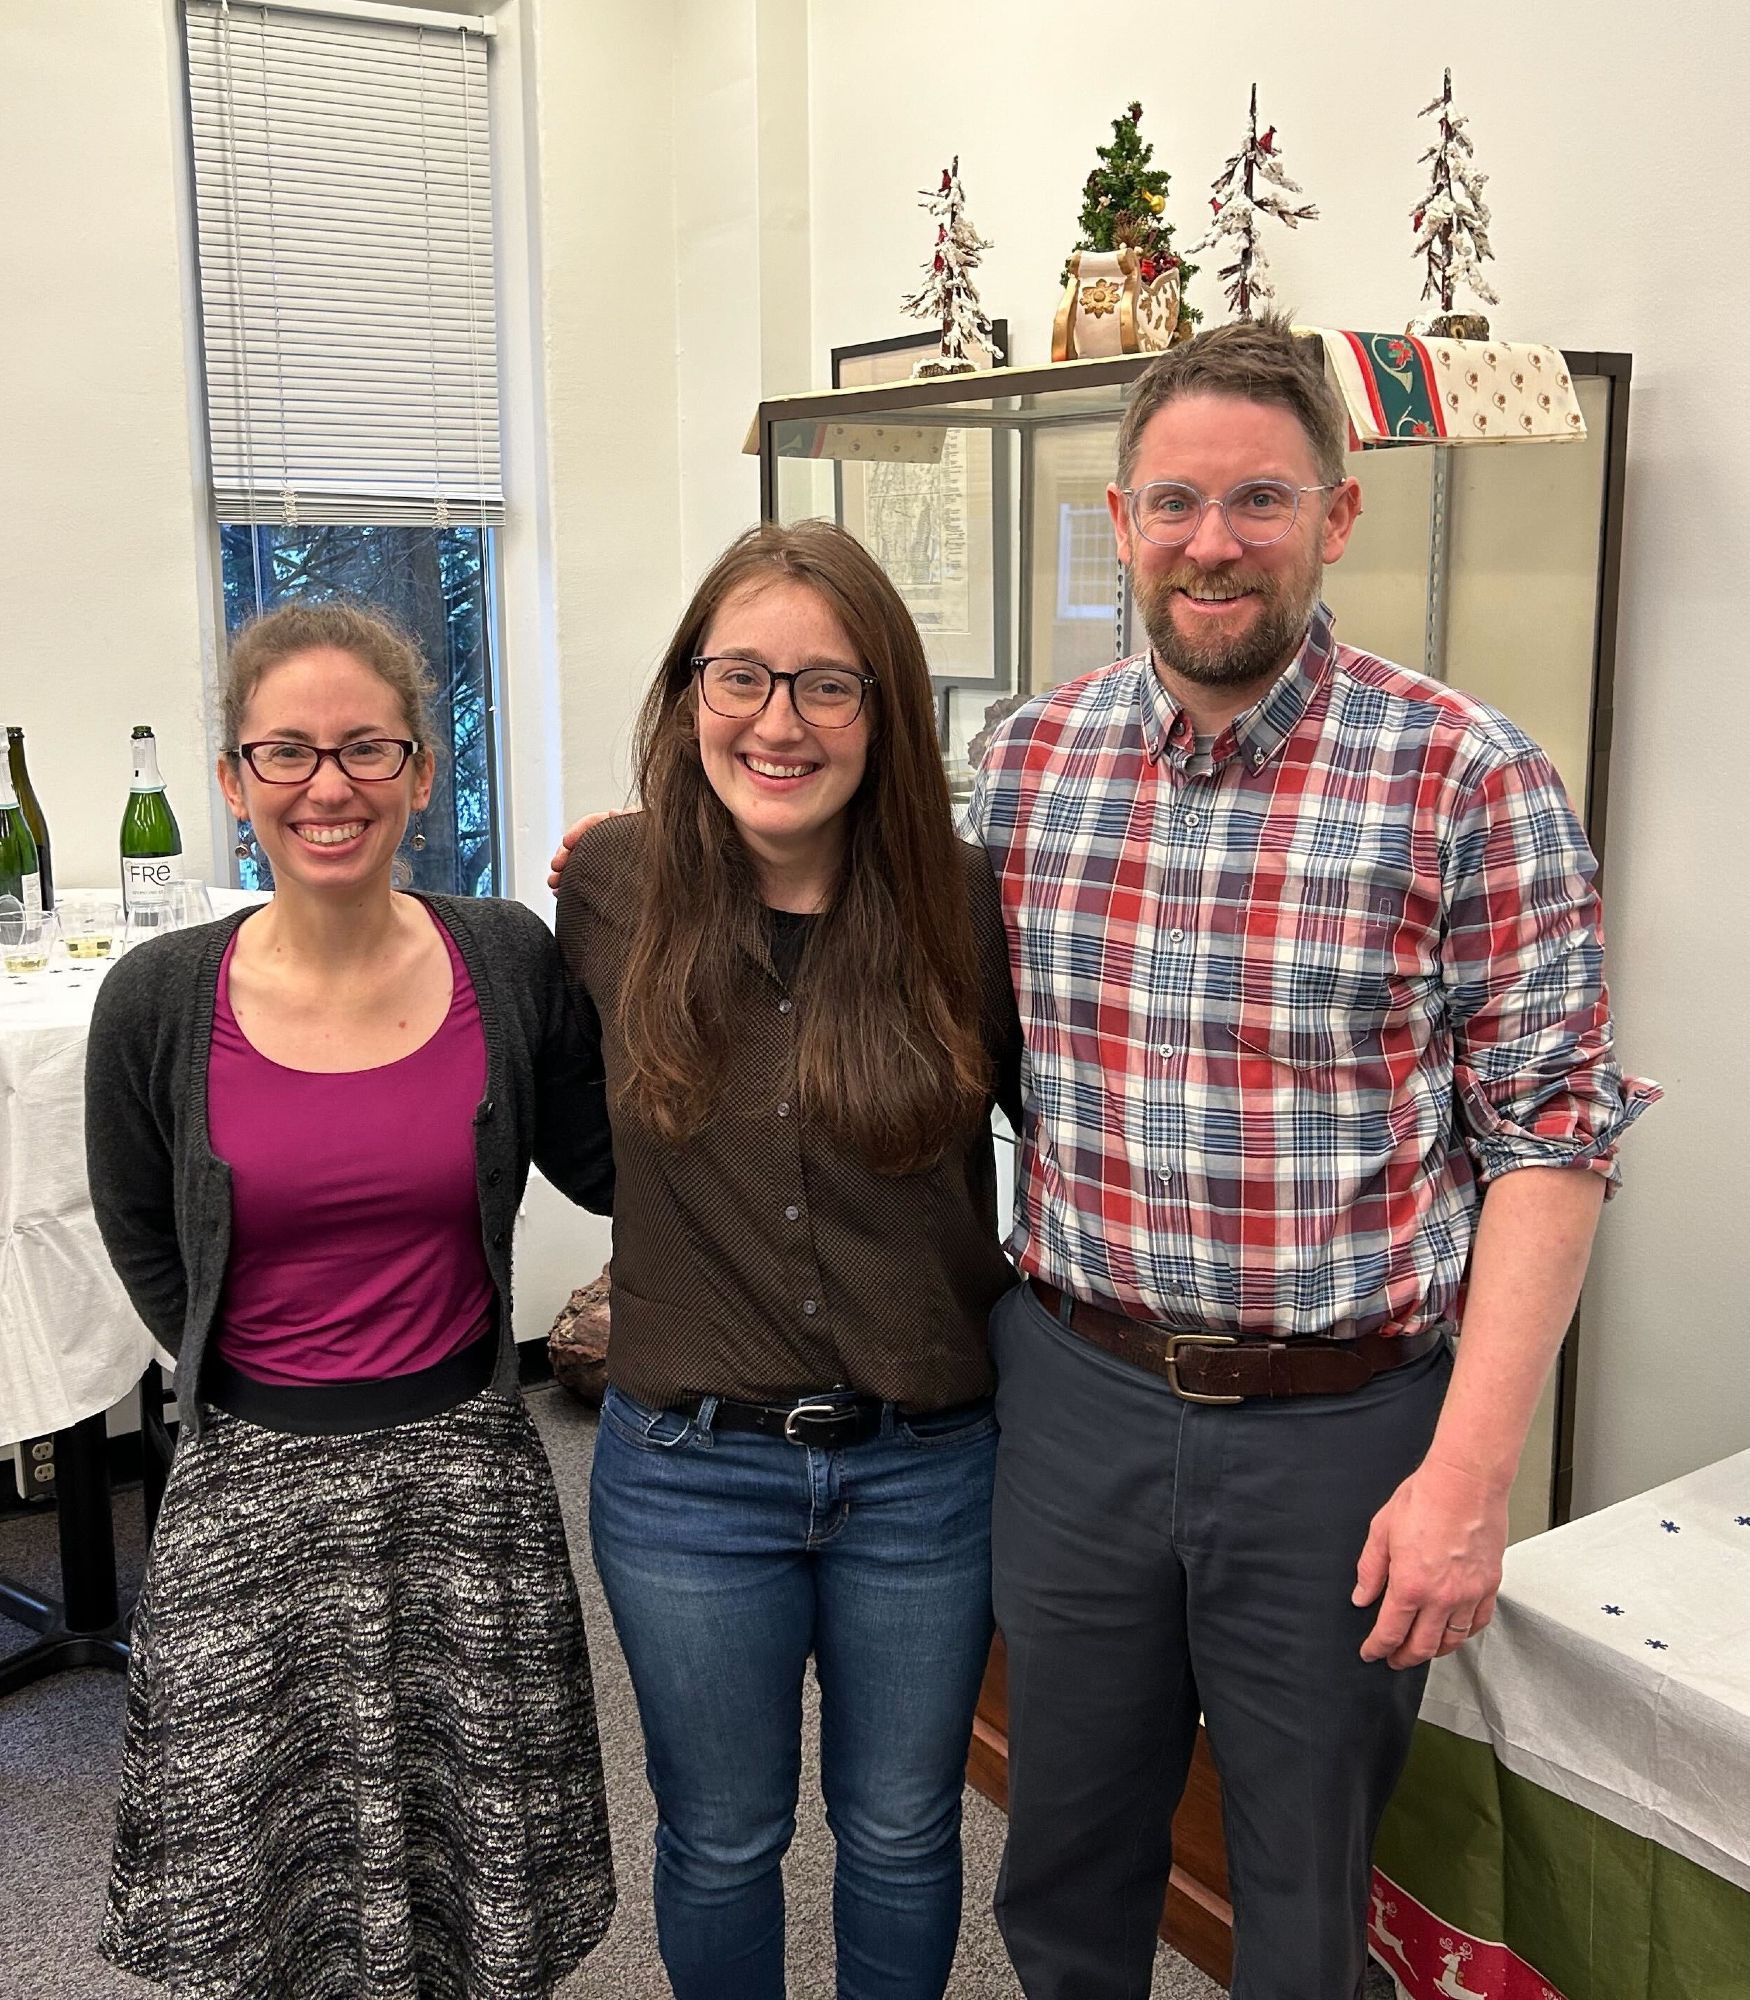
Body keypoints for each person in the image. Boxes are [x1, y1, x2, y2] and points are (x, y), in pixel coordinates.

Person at [964, 317, 1657, 2000]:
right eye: (1178, 502)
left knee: (1303, 1882)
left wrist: (1470, 1481)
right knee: (1063, 1855)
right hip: (1076, 1394)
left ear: (1336, 517)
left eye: (1259, 500)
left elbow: (1550, 1142)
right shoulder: (1017, 767)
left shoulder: (1467, 779)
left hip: (1344, 1432)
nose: (1215, 543)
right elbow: (896, 1013)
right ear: (1119, 520)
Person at [85, 601, 617, 1999]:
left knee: (471, 1869)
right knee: (266, 1880)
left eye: (368, 749)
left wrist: (655, 907)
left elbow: (616, 1159)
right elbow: (149, 1240)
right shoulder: (155, 1000)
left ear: (425, 769)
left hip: (464, 1475)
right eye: (288, 753)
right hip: (249, 1482)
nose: (329, 787)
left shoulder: (502, 957)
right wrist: (259, 1388)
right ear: (234, 779)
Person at [552, 520, 1021, 2000]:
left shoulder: (962, 905)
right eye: (740, 674)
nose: (778, 720)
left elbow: (1077, 1140)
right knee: (719, 1837)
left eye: (828, 685)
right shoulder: (612, 888)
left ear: (884, 710)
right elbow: (582, 1134)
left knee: (896, 1834)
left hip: (924, 1473)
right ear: (689, 690)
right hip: (687, 1473)